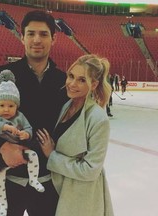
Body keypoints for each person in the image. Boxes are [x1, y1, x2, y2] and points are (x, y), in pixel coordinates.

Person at [0, 10, 68, 216]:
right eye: (31, 33)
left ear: (54, 39)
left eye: (44, 34)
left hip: (47, 183)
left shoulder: (63, 82)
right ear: (22, 37)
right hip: (5, 180)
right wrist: (1, 146)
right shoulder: (0, 76)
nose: (37, 39)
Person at [36, 54, 114, 216]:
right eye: (71, 76)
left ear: (94, 85)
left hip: (82, 197)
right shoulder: (66, 106)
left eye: (81, 80)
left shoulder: (98, 119)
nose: (72, 84)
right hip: (62, 190)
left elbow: (91, 170)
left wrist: (52, 155)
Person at [0, 70, 45, 216]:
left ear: (16, 106)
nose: (6, 109)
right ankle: (3, 205)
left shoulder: (20, 117)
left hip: (20, 150)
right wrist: (5, 126)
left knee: (33, 156)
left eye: (11, 106)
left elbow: (28, 127)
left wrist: (26, 134)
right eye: (2, 105)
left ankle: (33, 179)